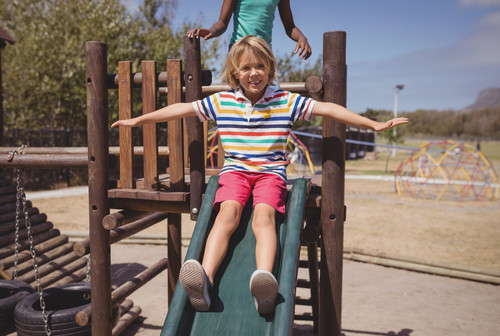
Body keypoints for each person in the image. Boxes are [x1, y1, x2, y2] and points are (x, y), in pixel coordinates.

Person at [111, 35, 408, 315]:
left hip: (270, 174)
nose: (254, 73)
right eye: (246, 68)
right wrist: (139, 119)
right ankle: (205, 280)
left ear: (270, 69)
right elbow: (181, 109)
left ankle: (263, 282)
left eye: (260, 66)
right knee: (227, 213)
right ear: (235, 74)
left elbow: (328, 109)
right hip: (236, 173)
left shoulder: (286, 101)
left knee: (264, 216)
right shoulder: (222, 102)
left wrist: (373, 125)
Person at [187, 0, 312, 60]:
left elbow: (290, 26)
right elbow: (222, 23)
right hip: (239, 48)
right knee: (241, 97)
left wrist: (301, 37)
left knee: (267, 99)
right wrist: (211, 31)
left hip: (264, 50)